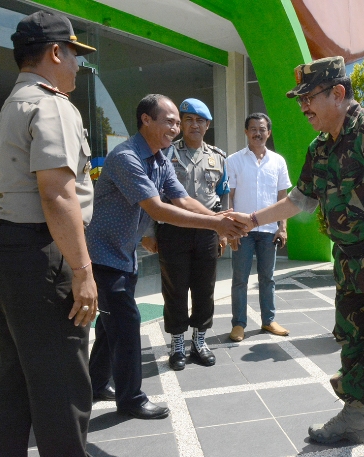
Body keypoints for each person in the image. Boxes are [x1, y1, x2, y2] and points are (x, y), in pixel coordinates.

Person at [229, 56, 364, 457]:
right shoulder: (320, 148)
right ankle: (355, 419)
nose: (303, 107)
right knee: (354, 345)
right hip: (350, 266)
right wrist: (253, 218)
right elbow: (299, 200)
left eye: (309, 98)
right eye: (300, 100)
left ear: (338, 94)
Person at [0, 11, 97, 457]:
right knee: (62, 386)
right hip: (42, 255)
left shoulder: (11, 106)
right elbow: (57, 195)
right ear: (54, 52)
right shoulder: (51, 105)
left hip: (5, 248)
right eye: (73, 55)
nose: (77, 65)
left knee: (13, 377)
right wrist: (83, 271)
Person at [87, 94, 247, 420]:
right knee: (127, 323)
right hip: (103, 254)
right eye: (171, 120)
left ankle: (95, 383)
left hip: (123, 254)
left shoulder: (160, 158)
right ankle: (131, 398)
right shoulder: (127, 157)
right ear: (146, 119)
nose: (176, 127)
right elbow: (159, 209)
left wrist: (219, 222)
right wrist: (217, 223)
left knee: (109, 324)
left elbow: (182, 198)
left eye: (179, 121)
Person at [141, 98, 229, 371]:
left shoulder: (218, 157)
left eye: (199, 120)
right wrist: (148, 231)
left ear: (207, 125)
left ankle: (199, 341)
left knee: (205, 289)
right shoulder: (165, 153)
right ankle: (177, 342)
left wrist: (223, 230)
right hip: (173, 231)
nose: (193, 125)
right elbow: (150, 195)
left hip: (207, 232)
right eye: (187, 119)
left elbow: (223, 196)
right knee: (175, 289)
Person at [226, 113, 292, 342]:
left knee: (268, 278)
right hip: (242, 231)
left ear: (269, 132)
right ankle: (239, 324)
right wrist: (230, 229)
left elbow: (283, 196)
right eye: (252, 129)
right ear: (246, 132)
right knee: (240, 279)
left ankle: (268, 320)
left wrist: (282, 227)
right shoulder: (233, 161)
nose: (257, 133)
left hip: (268, 231)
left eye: (262, 129)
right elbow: (229, 197)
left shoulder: (278, 161)